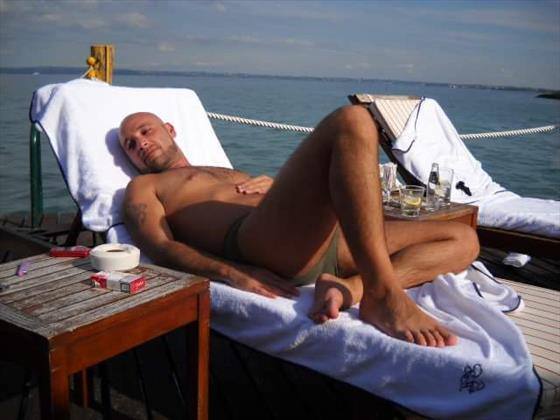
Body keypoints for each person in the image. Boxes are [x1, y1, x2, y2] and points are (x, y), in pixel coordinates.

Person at [119, 107, 480, 347]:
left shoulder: (221, 169)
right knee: (352, 121)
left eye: (145, 131)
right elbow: (160, 247)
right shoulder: (143, 187)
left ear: (170, 130)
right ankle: (383, 294)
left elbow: (292, 200)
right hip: (261, 243)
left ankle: (352, 288)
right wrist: (232, 272)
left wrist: (275, 186)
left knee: (463, 239)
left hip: (325, 239)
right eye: (130, 145)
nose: (140, 144)